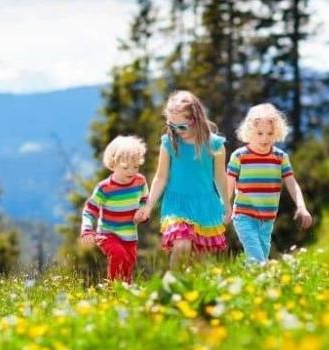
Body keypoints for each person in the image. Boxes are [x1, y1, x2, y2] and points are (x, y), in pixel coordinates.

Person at [134, 90, 230, 267]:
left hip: (205, 205)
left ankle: (194, 292)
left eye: (182, 127)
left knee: (200, 260)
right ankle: (173, 285)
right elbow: (161, 177)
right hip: (176, 204)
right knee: (182, 244)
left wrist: (227, 205)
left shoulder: (214, 145)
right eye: (172, 126)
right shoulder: (169, 143)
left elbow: (220, 177)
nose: (177, 131)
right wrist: (148, 205)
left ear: (196, 119)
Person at [226, 103, 313, 265]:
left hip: (267, 218)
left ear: (277, 132)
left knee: (259, 259)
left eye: (270, 133)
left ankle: (248, 287)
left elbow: (292, 184)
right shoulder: (240, 156)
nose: (265, 138)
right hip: (244, 216)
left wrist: (301, 206)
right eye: (260, 133)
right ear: (250, 131)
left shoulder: (280, 157)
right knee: (258, 260)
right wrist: (226, 205)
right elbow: (229, 183)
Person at [81, 135, 149, 283]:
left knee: (128, 265)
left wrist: (142, 212)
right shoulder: (105, 188)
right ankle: (113, 290)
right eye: (125, 167)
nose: (131, 171)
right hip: (107, 234)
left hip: (130, 235)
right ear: (113, 164)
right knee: (118, 255)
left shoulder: (140, 182)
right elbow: (89, 210)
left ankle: (125, 293)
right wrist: (87, 230)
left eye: (136, 166)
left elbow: (145, 200)